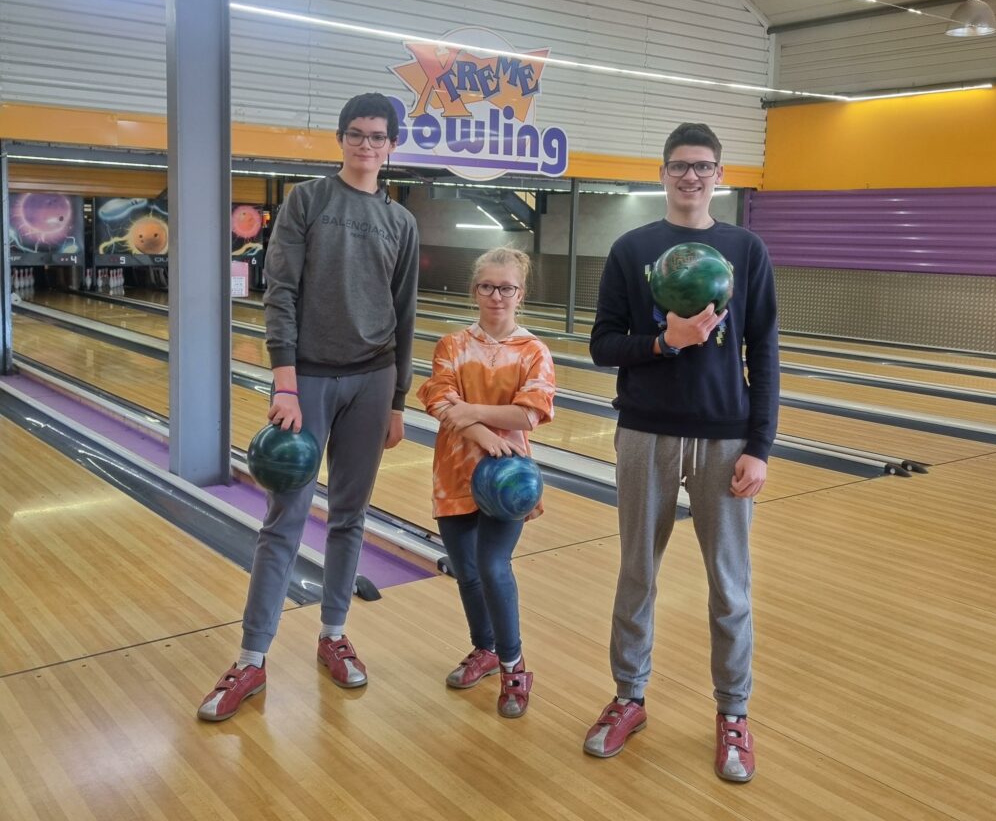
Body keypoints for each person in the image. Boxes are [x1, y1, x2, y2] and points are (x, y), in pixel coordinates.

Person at [198, 92, 420, 721]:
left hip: (374, 380)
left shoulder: (401, 223)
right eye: (357, 134)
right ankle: (251, 657)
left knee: (350, 517)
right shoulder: (308, 200)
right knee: (285, 520)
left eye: (378, 136)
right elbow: (281, 292)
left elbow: (405, 317)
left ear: (392, 144)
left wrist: (399, 400)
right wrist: (285, 382)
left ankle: (334, 633)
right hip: (310, 382)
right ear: (341, 139)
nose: (367, 145)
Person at [583, 122, 779, 782]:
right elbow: (602, 344)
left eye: (702, 166)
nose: (690, 176)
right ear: (662, 173)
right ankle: (628, 697)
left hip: (725, 438)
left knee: (730, 588)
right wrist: (665, 343)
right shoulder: (631, 248)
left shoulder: (745, 250)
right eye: (678, 166)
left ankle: (734, 714)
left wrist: (760, 445)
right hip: (645, 432)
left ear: (719, 175)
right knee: (637, 574)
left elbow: (766, 353)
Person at [417, 247, 556, 719]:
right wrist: (476, 430)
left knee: (494, 566)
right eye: (488, 286)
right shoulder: (452, 345)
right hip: (454, 470)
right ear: (474, 289)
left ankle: (515, 666)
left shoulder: (533, 351)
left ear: (521, 293)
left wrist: (471, 412)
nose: (497, 296)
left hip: (509, 479)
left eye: (507, 288)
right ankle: (485, 650)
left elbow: (529, 412)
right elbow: (437, 398)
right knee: (468, 572)